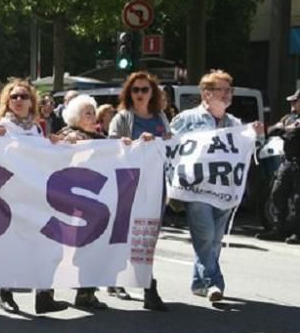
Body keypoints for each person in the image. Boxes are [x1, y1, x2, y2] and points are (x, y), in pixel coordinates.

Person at [170, 70, 263, 302]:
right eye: (221, 90)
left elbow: (249, 152)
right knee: (205, 235)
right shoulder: (187, 119)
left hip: (225, 190)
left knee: (214, 239)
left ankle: (199, 283)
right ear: (206, 94)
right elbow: (169, 147)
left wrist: (257, 136)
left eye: (229, 90)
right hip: (196, 189)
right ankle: (214, 282)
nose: (227, 94)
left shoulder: (235, 123)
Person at [0, 79, 68, 314]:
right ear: (7, 101)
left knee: (47, 243)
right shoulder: (2, 127)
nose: (18, 100)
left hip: (38, 195)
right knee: (13, 246)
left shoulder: (37, 128)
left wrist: (53, 143)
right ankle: (6, 293)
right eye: (13, 97)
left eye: (23, 96)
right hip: (12, 195)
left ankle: (44, 295)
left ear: (31, 101)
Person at [108, 71, 170, 311]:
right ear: (129, 93)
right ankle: (119, 279)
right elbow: (111, 145)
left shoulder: (161, 117)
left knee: (148, 236)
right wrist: (131, 143)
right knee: (125, 234)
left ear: (152, 92)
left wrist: (163, 139)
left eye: (145, 90)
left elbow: (168, 145)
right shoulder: (123, 118)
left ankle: (147, 285)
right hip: (129, 185)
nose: (140, 94)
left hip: (154, 186)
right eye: (136, 90)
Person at [55, 95, 113, 310]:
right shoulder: (66, 136)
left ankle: (86, 292)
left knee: (94, 248)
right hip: (69, 203)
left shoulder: (101, 139)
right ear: (76, 117)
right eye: (87, 112)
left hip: (96, 205)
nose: (92, 116)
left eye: (93, 112)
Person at [257, 92, 300, 243]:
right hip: (287, 162)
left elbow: (292, 133)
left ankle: (297, 233)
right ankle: (278, 230)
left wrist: (286, 129)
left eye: (296, 102)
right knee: (277, 194)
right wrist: (285, 128)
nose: (292, 105)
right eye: (292, 102)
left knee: (297, 200)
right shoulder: (289, 118)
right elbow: (272, 130)